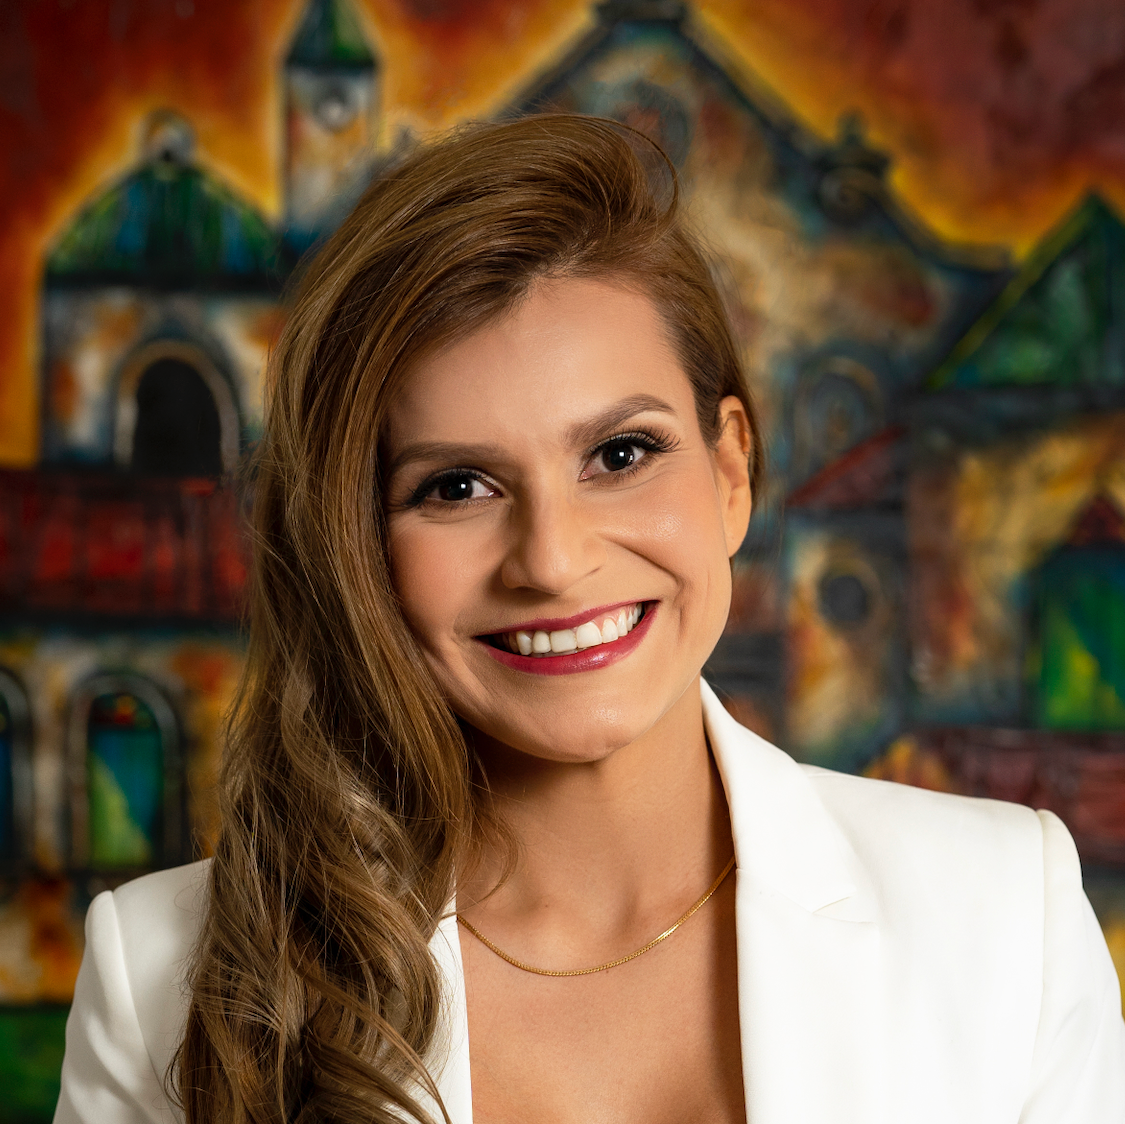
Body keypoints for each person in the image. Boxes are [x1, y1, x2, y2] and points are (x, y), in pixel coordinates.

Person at [55, 115, 1124, 1124]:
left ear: (732, 472)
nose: (554, 560)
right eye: (456, 486)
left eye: (620, 454)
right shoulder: (159, 979)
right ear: (357, 543)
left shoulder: (1003, 919)